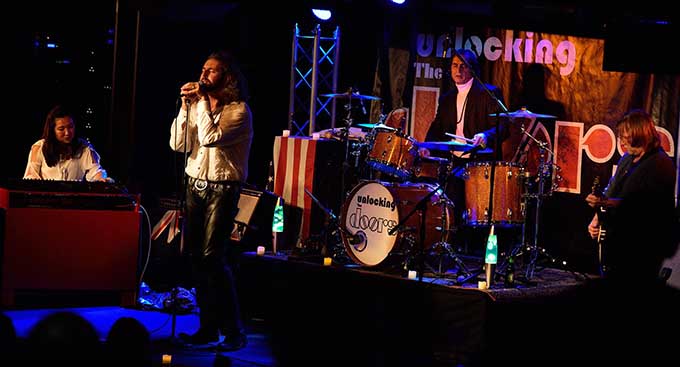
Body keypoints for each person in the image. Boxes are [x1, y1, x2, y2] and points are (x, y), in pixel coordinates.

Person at [169, 50, 251, 351]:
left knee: (212, 258)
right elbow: (179, 144)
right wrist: (184, 107)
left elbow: (209, 138)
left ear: (226, 77)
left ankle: (234, 332)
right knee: (195, 258)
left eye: (212, 70)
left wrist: (200, 101)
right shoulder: (197, 107)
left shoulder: (238, 111)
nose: (204, 75)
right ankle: (207, 328)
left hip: (222, 188)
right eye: (203, 69)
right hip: (195, 185)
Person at [423, 48, 510, 255]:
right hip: (455, 160)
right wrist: (426, 146)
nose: (458, 70)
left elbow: (504, 126)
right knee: (451, 203)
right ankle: (453, 248)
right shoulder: (446, 98)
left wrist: (486, 136)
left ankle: (477, 252)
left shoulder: (488, 93)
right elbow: (437, 126)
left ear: (473, 69)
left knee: (478, 211)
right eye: (454, 65)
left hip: (480, 162)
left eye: (463, 66)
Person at [586, 109, 677, 283]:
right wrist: (597, 218)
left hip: (643, 244)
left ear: (639, 133)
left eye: (624, 136)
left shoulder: (660, 164)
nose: (621, 141)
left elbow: (641, 205)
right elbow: (611, 189)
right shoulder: (627, 159)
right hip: (618, 241)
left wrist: (605, 202)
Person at [23, 105, 112, 182]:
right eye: (61, 129)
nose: (67, 133)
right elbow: (31, 176)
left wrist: (101, 179)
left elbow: (96, 171)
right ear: (52, 130)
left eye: (70, 127)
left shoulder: (85, 148)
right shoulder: (39, 147)